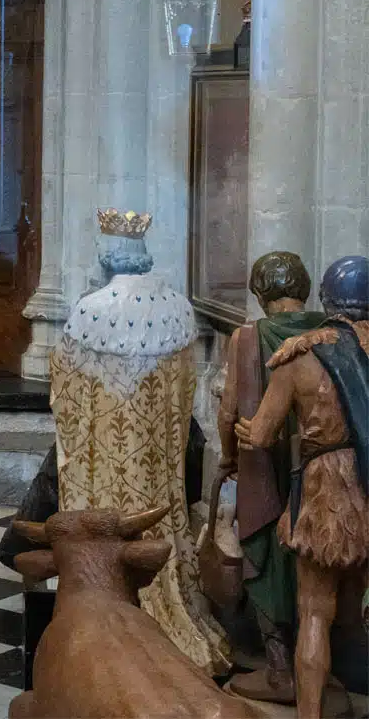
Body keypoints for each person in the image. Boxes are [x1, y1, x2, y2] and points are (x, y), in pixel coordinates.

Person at [48, 209, 230, 674]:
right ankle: (168, 611)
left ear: (108, 254)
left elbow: (66, 389)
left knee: (107, 520)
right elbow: (185, 390)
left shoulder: (93, 310)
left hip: (103, 459)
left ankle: (102, 612)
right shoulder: (177, 309)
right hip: (154, 454)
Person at [237, 255, 369, 719]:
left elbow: (261, 434)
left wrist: (241, 428)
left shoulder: (301, 356)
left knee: (315, 610)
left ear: (326, 299)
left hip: (328, 493)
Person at [217, 251, 325, 702]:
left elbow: (229, 412)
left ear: (259, 294)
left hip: (262, 461)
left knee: (262, 553)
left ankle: (280, 667)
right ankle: (321, 667)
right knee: (317, 561)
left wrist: (228, 460)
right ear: (306, 289)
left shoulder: (246, 339)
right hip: (323, 468)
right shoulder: (333, 333)